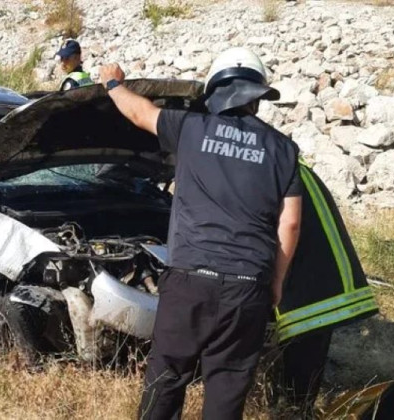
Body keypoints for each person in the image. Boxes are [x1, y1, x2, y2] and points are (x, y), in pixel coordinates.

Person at [99, 47, 303, 420]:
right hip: (248, 286)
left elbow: (139, 112)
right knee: (227, 388)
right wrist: (274, 283)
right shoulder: (284, 150)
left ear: (215, 91)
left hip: (189, 281)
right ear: (257, 96)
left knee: (167, 378)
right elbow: (289, 223)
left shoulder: (190, 128)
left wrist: (113, 83)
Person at [271, 162, 379, 418]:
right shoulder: (283, 162)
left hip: (310, 282)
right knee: (304, 341)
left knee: (303, 341)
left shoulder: (277, 168)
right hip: (314, 279)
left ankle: (295, 408)